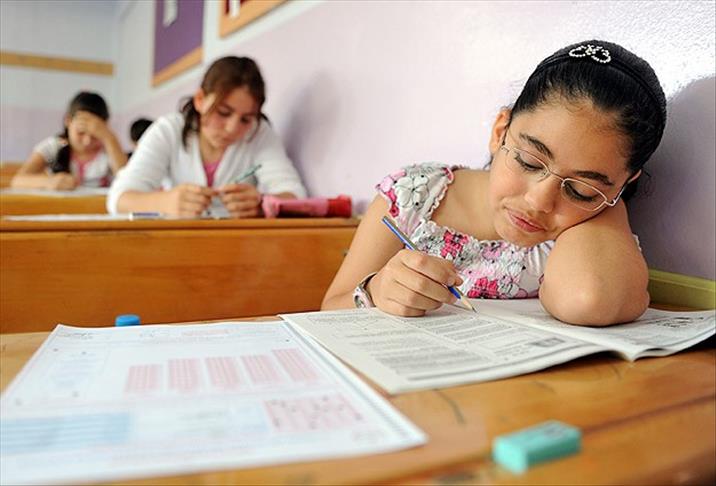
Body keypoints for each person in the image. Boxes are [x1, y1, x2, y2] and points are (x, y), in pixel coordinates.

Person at [322, 40, 667, 327]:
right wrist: (376, 291)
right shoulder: (414, 195)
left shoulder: (589, 223)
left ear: (621, 187)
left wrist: (606, 206)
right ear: (500, 131)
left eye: (581, 190)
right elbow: (329, 310)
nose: (538, 201)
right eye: (529, 162)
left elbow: (589, 299)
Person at [107, 56, 306, 218]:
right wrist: (166, 202)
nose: (232, 128)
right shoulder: (168, 130)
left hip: (238, 244)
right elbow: (118, 199)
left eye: (246, 119)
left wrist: (262, 204)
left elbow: (295, 195)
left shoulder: (259, 132)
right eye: (223, 113)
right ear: (200, 100)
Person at [11, 91, 127, 190]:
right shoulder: (54, 146)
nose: (87, 141)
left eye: (95, 135)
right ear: (68, 121)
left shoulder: (108, 148)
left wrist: (109, 138)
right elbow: (17, 180)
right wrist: (48, 182)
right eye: (81, 133)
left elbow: (126, 180)